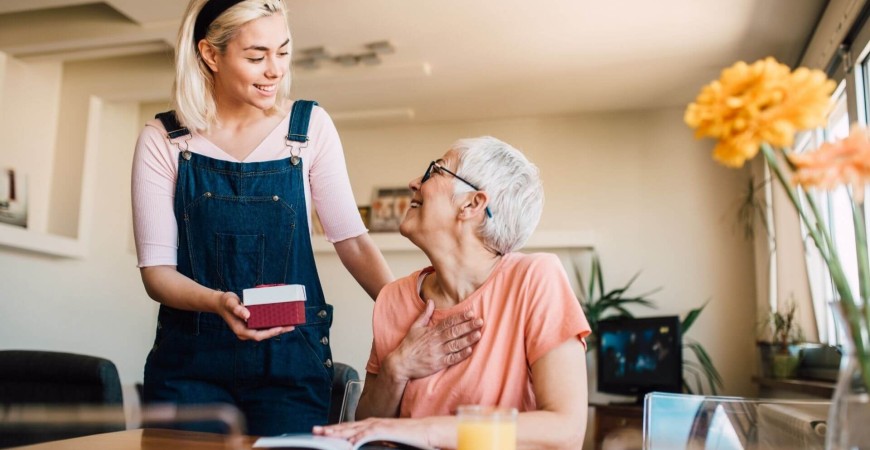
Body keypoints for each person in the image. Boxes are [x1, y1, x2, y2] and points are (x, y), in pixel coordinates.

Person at [130, 0, 484, 435]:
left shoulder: (308, 128)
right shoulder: (164, 140)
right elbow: (157, 274)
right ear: (209, 54)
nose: (275, 70)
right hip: (189, 366)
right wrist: (217, 302)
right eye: (256, 56)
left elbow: (352, 242)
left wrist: (409, 314)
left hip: (290, 366)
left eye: (283, 51)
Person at [313, 137, 591, 449]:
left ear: (472, 204)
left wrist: (426, 431)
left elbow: (566, 430)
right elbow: (367, 430)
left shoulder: (535, 279)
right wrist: (397, 368)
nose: (415, 182)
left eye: (436, 171)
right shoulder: (393, 298)